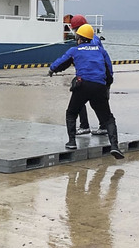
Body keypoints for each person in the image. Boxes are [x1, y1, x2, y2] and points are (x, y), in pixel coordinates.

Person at [49, 24, 123, 159]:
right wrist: (107, 84)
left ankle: (71, 142)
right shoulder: (101, 51)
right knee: (108, 117)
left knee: (71, 112)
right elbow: (109, 70)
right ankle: (115, 146)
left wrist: (52, 70)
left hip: (82, 85)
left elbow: (61, 62)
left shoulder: (74, 50)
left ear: (79, 38)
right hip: (99, 86)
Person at [68, 14, 104, 136]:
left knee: (81, 101)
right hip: (96, 75)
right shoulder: (94, 38)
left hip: (90, 76)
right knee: (97, 102)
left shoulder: (89, 40)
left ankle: (85, 126)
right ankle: (100, 125)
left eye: (74, 29)